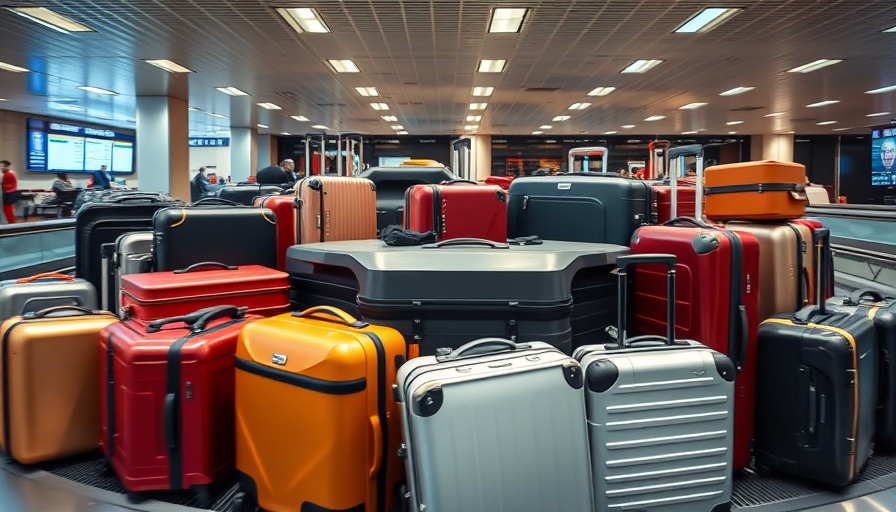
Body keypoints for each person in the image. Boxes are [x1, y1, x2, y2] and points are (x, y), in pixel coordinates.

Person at [1, 160, 19, 224]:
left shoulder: (9, 174)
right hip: (7, 194)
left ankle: (11, 225)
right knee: (7, 211)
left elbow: (9, 185)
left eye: (3, 166)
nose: (1, 168)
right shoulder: (5, 173)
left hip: (8, 194)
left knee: (8, 212)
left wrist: (2, 185)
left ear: (7, 166)